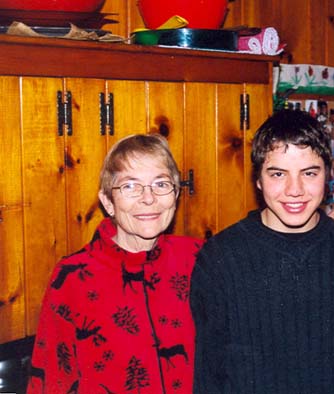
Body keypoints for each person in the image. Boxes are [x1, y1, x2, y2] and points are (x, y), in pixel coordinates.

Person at [190, 109, 334, 394]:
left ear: (327, 175)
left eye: (309, 173)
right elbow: (209, 376)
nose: (294, 189)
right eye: (278, 174)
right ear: (258, 179)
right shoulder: (220, 259)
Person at [28, 134, 204, 393]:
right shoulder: (74, 277)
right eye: (130, 186)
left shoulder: (199, 258)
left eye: (161, 184)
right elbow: (52, 376)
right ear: (108, 202)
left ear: (175, 194)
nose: (148, 198)